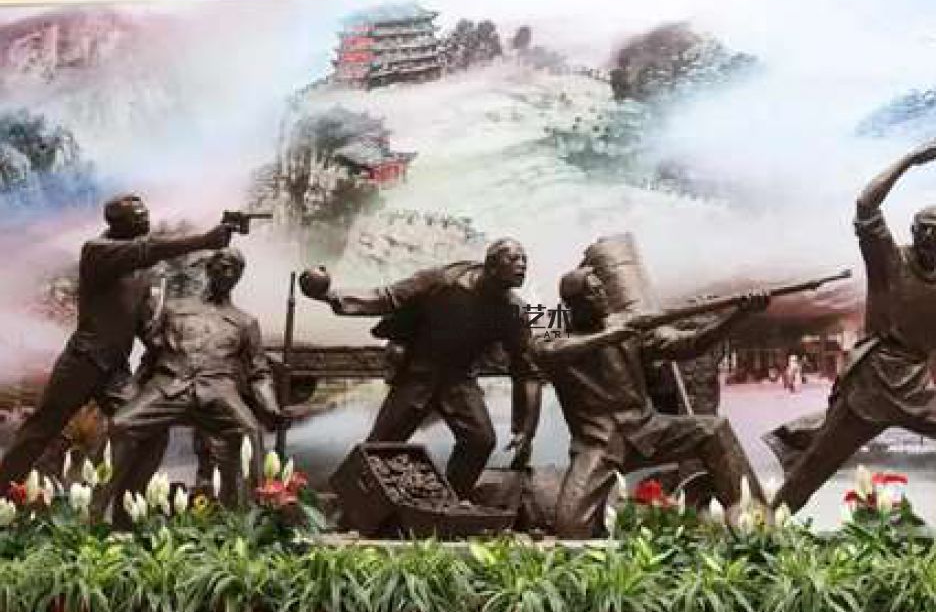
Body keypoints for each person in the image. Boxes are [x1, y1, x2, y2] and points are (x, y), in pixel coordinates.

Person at [770, 127, 936, 513]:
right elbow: (865, 204)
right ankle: (763, 527)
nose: (929, 234)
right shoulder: (888, 261)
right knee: (812, 469)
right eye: (923, 226)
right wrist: (911, 159)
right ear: (912, 230)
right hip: (871, 385)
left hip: (917, 389)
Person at [0, 194, 231, 493]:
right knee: (40, 431)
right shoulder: (97, 251)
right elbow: (146, 250)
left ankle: (128, 506)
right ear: (117, 224)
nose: (146, 220)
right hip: (83, 362)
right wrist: (205, 240)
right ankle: (2, 492)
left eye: (146, 214)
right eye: (138, 217)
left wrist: (187, 348)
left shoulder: (143, 272)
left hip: (114, 371)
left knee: (152, 431)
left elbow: (147, 329)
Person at [532, 266, 769, 538]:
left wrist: (737, 316)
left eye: (601, 288)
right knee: (572, 527)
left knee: (714, 430)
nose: (603, 295)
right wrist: (610, 337)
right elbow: (549, 352)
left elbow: (690, 344)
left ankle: (756, 522)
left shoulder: (629, 325)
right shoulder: (557, 338)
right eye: (593, 293)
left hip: (648, 430)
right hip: (599, 444)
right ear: (575, 304)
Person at [300, 239, 542, 497]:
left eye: (524, 260)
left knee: (480, 441)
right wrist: (331, 296)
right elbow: (387, 297)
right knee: (381, 446)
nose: (521, 265)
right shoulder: (442, 280)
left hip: (459, 378)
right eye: (513, 259)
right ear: (491, 264)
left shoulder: (514, 311)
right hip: (418, 371)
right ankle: (350, 503)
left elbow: (526, 370)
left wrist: (525, 429)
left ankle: (449, 501)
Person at [107, 248, 284, 523]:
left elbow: (259, 372)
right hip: (169, 385)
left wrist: (269, 404)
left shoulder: (245, 322)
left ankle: (248, 521)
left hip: (218, 391)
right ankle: (109, 513)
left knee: (250, 431)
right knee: (121, 425)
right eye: (223, 266)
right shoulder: (174, 309)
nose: (228, 273)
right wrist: (135, 388)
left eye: (235, 270)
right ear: (209, 269)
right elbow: (152, 355)